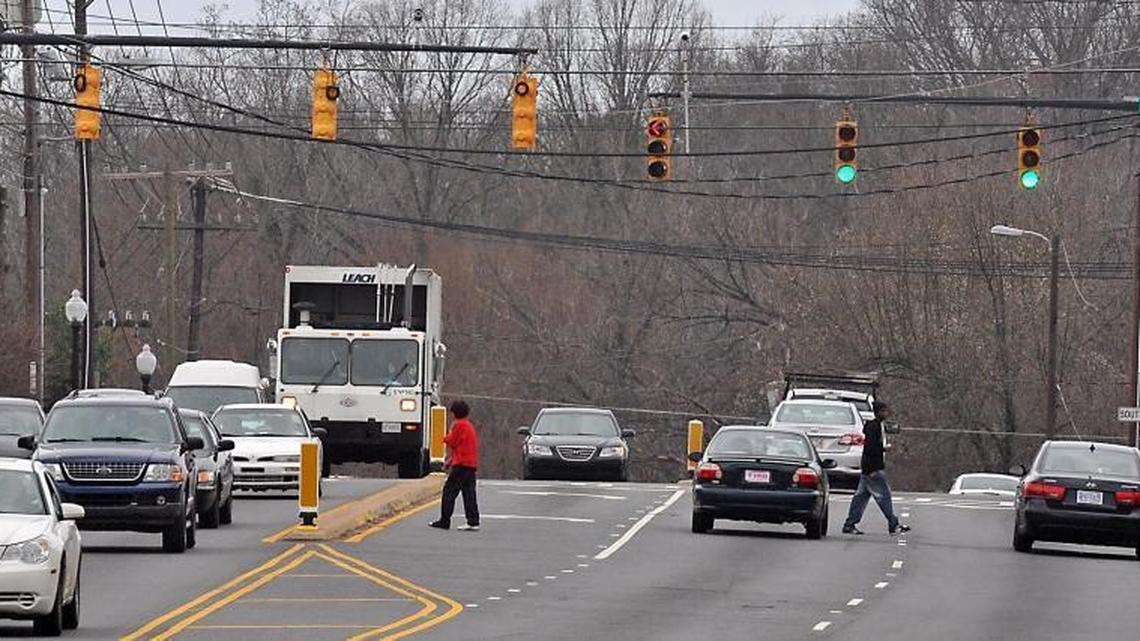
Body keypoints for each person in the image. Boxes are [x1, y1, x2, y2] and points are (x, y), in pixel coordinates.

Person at [842, 401, 910, 536]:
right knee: (884, 496)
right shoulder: (874, 427)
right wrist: (872, 468)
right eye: (884, 411)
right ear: (878, 412)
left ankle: (850, 524)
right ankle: (893, 524)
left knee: (860, 497)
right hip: (873, 469)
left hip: (868, 470)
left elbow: (871, 448)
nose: (886, 413)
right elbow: (869, 449)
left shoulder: (877, 426)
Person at [429, 400, 480, 531]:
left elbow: (452, 442)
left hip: (461, 465)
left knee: (449, 492)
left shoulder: (459, 425)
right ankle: (473, 521)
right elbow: (462, 447)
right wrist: (450, 461)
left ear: (454, 413)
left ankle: (444, 520)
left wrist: (443, 436)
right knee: (469, 493)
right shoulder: (469, 426)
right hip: (470, 464)